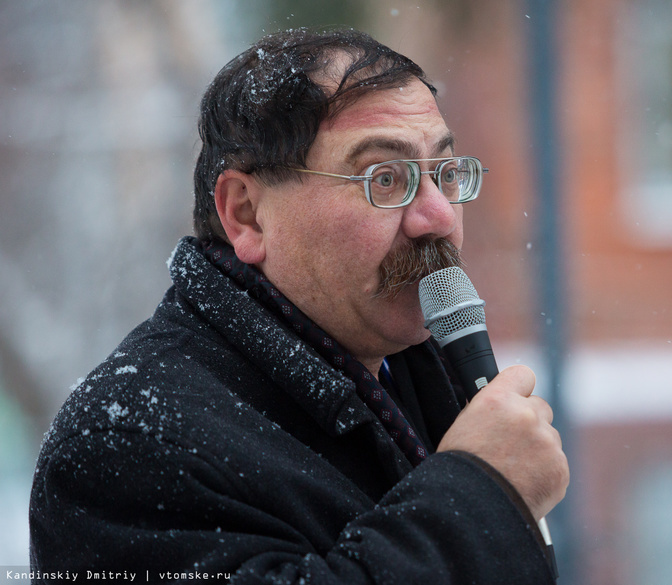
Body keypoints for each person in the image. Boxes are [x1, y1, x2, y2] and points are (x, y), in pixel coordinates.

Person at [29, 28, 568, 584]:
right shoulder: (125, 445)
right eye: (385, 178)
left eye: (446, 174)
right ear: (246, 214)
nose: (439, 217)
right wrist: (479, 493)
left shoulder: (416, 368)